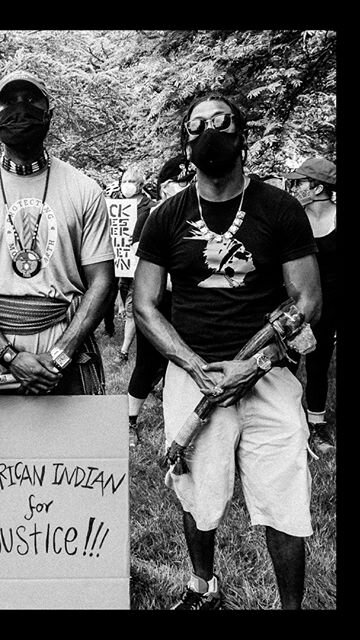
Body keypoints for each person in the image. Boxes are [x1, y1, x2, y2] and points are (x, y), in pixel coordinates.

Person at [133, 93, 321, 610]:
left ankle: (291, 607)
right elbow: (145, 305)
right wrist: (192, 365)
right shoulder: (167, 215)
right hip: (192, 376)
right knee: (198, 491)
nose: (208, 131)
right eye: (196, 125)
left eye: (220, 122)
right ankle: (202, 587)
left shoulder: (278, 208)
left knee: (284, 494)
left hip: (268, 375)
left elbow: (306, 299)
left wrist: (254, 363)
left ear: (243, 134)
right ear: (186, 142)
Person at [0, 70, 115, 396]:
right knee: (3, 448)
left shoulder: (85, 190)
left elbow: (103, 281)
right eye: (8, 102)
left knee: (79, 448)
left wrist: (61, 354)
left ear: (49, 114)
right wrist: (9, 356)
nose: (20, 109)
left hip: (70, 349)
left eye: (31, 100)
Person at [126, 155, 194, 446]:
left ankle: (177, 421)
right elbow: (139, 263)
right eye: (182, 183)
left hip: (188, 304)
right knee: (147, 363)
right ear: (166, 186)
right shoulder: (151, 216)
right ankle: (130, 422)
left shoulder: (198, 215)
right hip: (156, 302)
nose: (188, 187)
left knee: (181, 364)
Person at [284, 157, 336, 453]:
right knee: (287, 362)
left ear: (317, 187)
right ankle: (288, 424)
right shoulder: (292, 216)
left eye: (301, 182)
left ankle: (316, 425)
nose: (295, 187)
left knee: (319, 362)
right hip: (293, 304)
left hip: (329, 306)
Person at [113, 164, 156, 365]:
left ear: (140, 185)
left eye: (131, 182)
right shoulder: (117, 207)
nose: (127, 185)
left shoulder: (150, 207)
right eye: (124, 181)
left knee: (133, 307)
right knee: (127, 300)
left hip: (140, 265)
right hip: (123, 268)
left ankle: (124, 351)